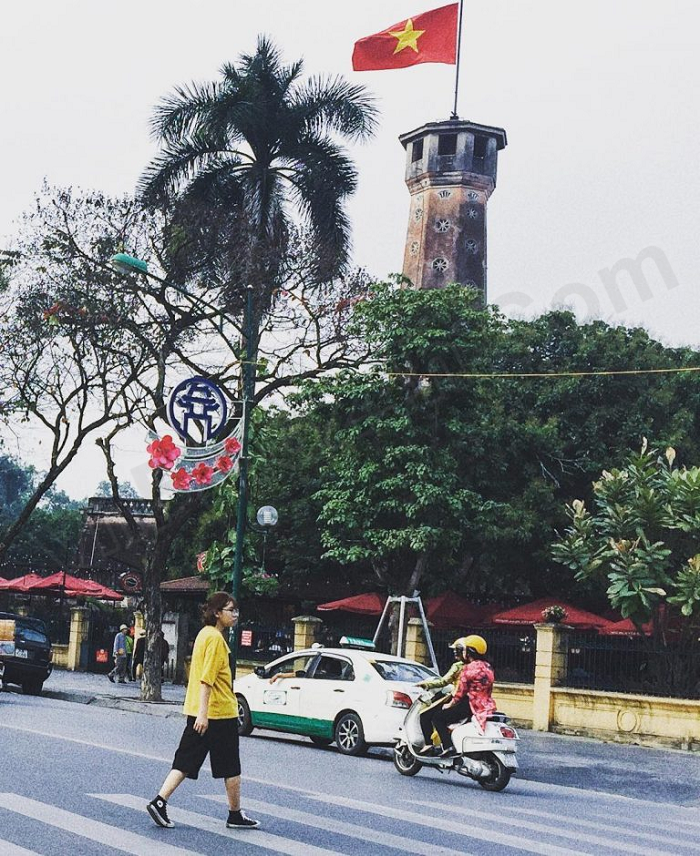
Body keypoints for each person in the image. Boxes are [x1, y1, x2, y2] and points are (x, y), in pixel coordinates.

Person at [146, 592, 259, 831]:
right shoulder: (216, 639)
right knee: (231, 766)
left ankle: (160, 801)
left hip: (200, 710)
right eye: (231, 610)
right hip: (218, 713)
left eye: (236, 610)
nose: (235, 615)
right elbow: (207, 679)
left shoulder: (203, 635)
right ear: (217, 613)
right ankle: (235, 814)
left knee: (185, 761)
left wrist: (200, 712)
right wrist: (204, 714)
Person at [431, 634, 496, 758]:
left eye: (465, 650)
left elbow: (460, 693)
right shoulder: (488, 667)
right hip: (487, 705)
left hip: (470, 705)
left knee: (438, 717)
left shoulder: (468, 669)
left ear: (470, 651)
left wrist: (448, 705)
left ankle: (448, 746)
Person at [415, 638, 467, 754]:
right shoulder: (483, 667)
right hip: (473, 702)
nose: (455, 652)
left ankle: (432, 744)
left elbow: (443, 682)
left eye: (457, 650)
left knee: (426, 715)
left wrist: (425, 684)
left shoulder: (459, 666)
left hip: (457, 699)